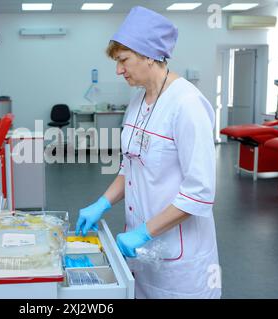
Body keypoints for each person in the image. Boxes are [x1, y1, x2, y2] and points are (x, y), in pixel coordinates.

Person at [75, 6, 220, 299]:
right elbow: (131, 164)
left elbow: (200, 191)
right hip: (143, 255)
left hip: (180, 257)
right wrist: (102, 203)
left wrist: (145, 231)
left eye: (123, 60)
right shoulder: (138, 100)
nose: (118, 70)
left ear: (150, 55)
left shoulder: (187, 105)